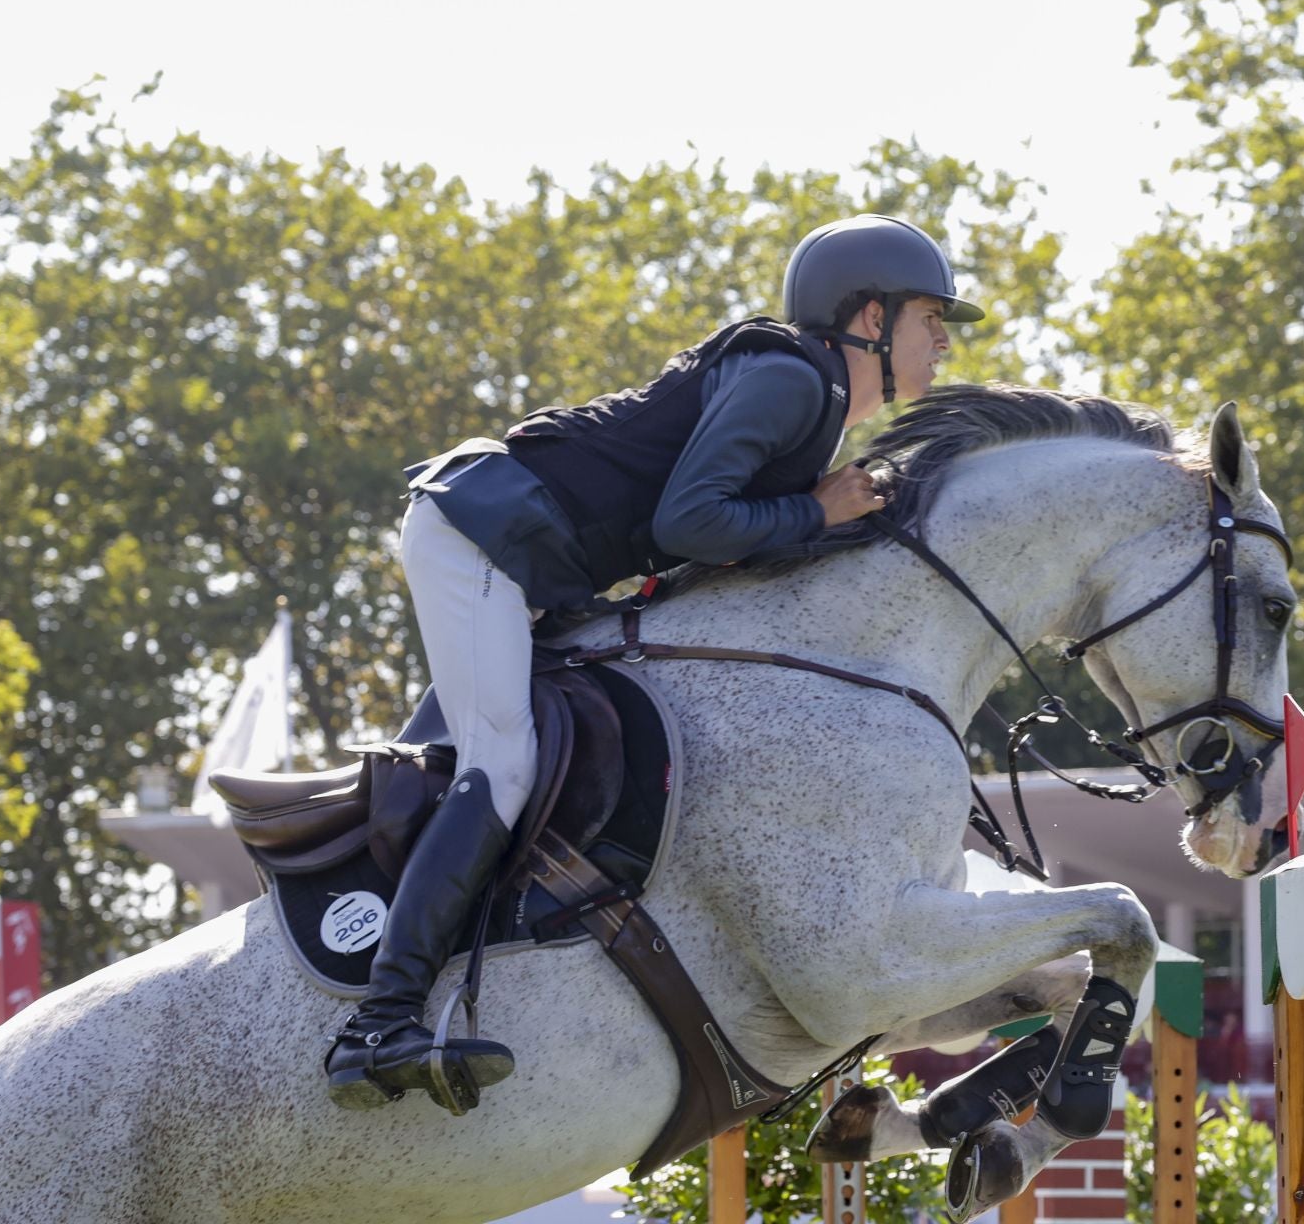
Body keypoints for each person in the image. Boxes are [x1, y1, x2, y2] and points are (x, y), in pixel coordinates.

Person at [322, 215, 984, 1111]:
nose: (943, 338)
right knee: (504, 758)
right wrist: (818, 516)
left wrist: (828, 522)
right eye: (928, 317)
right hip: (482, 534)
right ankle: (380, 1022)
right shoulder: (794, 378)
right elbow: (689, 524)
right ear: (869, 316)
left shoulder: (813, 401)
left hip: (537, 559)